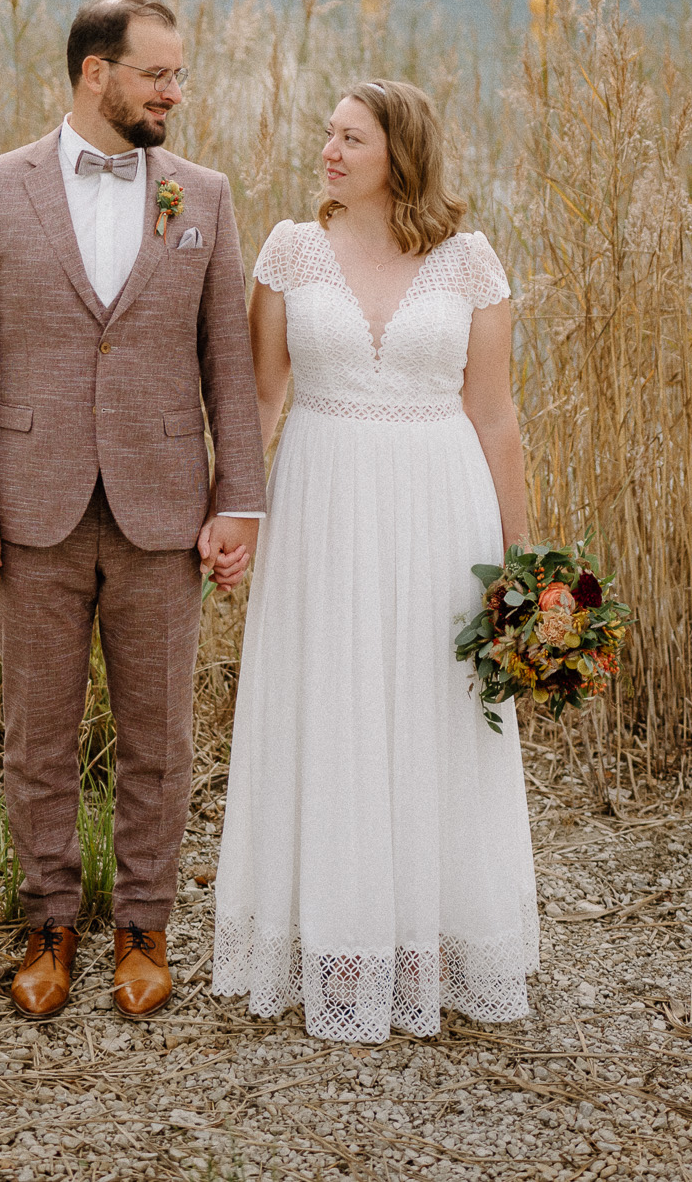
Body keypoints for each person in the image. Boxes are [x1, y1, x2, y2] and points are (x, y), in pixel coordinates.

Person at [0, 0, 266, 1021]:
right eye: (157, 74)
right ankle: (46, 923)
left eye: (178, 74)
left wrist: (238, 503)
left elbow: (229, 366)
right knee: (36, 732)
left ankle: (142, 923)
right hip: (29, 509)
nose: (175, 91)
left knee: (158, 734)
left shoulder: (202, 194)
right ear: (94, 73)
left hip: (162, 510)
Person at [212, 78, 539, 1042]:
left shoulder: (469, 261)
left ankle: (434, 935)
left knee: (431, 707)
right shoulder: (288, 250)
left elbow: (494, 415)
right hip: (321, 503)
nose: (328, 151)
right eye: (327, 135)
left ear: (398, 152)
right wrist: (238, 518)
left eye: (350, 138)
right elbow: (257, 407)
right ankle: (332, 936)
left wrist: (522, 565)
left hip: (443, 509)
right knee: (333, 700)